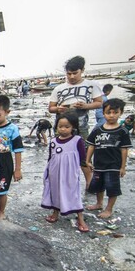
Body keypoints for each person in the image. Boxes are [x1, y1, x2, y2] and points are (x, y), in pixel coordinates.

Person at [48, 56, 102, 188]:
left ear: (82, 70)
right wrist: (58, 109)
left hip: (81, 125)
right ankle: (62, 181)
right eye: (68, 74)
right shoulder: (59, 88)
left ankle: (89, 183)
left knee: (83, 154)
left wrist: (85, 106)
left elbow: (99, 103)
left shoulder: (91, 85)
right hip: (61, 125)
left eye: (74, 73)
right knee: (60, 152)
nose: (71, 76)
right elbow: (51, 108)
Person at [41, 112, 89, 232]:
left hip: (70, 173)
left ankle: (80, 218)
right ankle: (55, 212)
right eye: (60, 126)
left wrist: (87, 165)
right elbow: (50, 157)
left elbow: (83, 158)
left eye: (67, 127)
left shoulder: (77, 140)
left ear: (73, 127)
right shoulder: (53, 141)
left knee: (74, 193)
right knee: (56, 191)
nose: (63, 129)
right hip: (54, 172)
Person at [85, 99, 132, 219]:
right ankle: (99, 203)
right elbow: (91, 145)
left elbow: (124, 150)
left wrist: (122, 167)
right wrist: (88, 160)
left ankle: (109, 209)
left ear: (120, 112)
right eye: (108, 112)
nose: (111, 115)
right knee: (98, 186)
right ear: (103, 113)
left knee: (112, 187)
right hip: (99, 164)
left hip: (113, 165)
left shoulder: (122, 131)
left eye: (115, 112)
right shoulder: (98, 130)